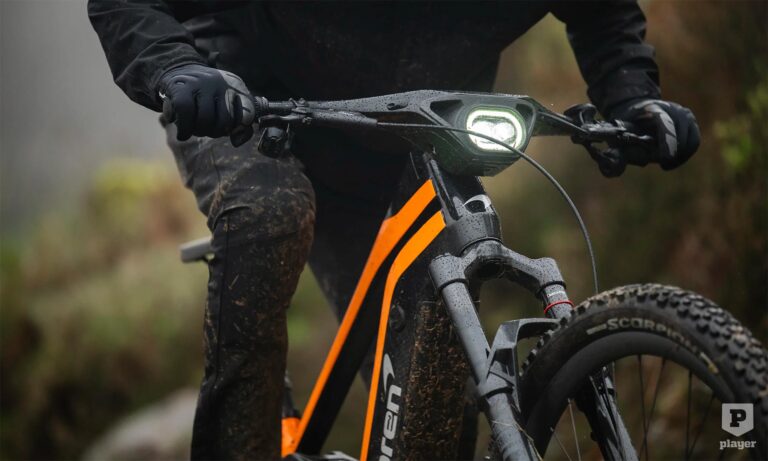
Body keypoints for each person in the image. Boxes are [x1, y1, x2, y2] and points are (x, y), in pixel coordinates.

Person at [88, 2, 700, 459]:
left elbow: (601, 9)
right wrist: (175, 67)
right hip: (244, 96)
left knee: (437, 400)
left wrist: (630, 95)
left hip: (417, 132)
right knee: (268, 215)